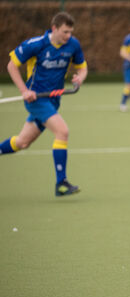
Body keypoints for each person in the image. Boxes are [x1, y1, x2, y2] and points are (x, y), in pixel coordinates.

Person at [0, 12, 88, 196]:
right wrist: (24, 91)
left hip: (54, 100)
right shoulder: (36, 45)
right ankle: (61, 183)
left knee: (23, 142)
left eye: (70, 32)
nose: (68, 36)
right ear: (54, 28)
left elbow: (82, 67)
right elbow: (11, 65)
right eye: (65, 32)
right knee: (62, 131)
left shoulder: (73, 44)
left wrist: (79, 79)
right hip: (37, 100)